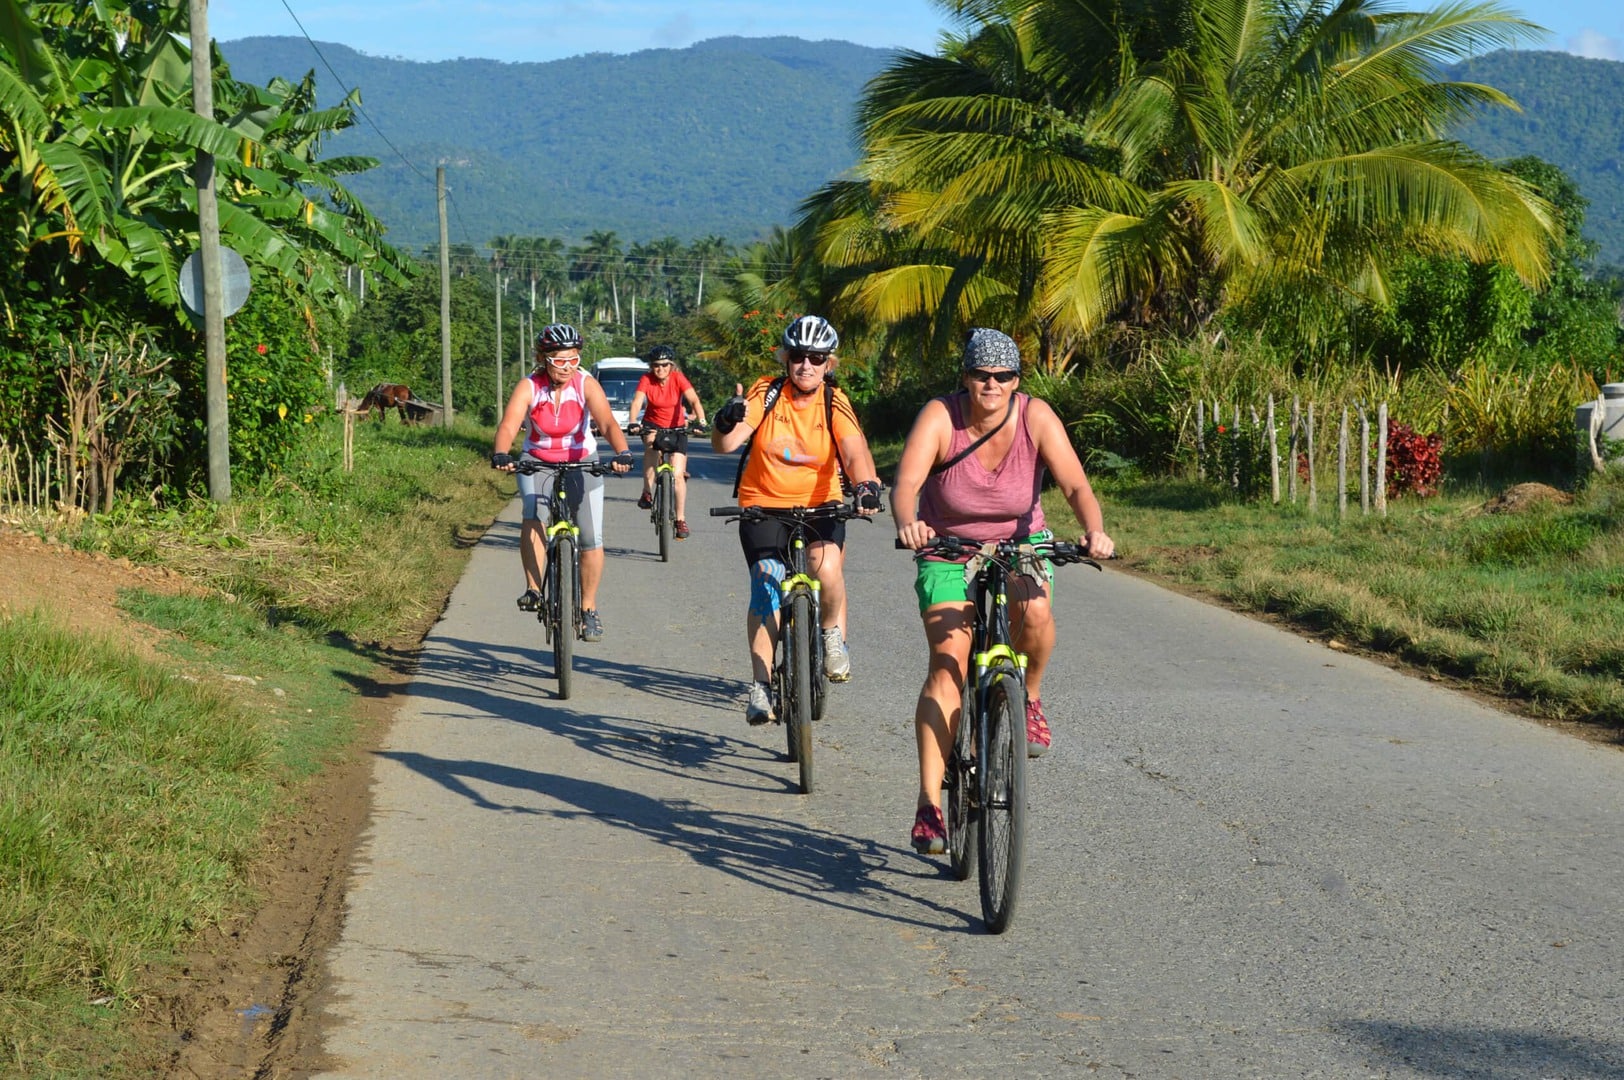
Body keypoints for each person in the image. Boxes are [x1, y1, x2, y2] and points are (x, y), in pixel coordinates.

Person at [891, 327, 1115, 854]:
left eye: (1004, 376)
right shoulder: (940, 416)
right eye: (981, 375)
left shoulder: (1035, 416)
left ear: (1017, 380)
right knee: (948, 661)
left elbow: (1076, 484)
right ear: (964, 377)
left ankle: (1029, 697)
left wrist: (1094, 529)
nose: (992, 385)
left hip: (1021, 542)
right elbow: (905, 484)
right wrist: (908, 522)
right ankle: (929, 805)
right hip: (946, 543)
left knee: (1035, 614)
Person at [711, 314, 884, 726]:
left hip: (821, 505)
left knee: (825, 567)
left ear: (829, 363)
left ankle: (830, 636)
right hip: (763, 505)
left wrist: (866, 486)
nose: (807, 365)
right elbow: (727, 444)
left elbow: (855, 450)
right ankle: (761, 685)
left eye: (817, 358)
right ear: (786, 359)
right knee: (766, 582)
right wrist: (724, 420)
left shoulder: (833, 401)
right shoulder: (766, 393)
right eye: (799, 356)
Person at [491, 323, 635, 643]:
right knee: (534, 515)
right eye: (559, 360)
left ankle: (588, 609)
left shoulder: (586, 383)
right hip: (537, 461)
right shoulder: (529, 386)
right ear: (544, 358)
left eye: (573, 359)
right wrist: (501, 453)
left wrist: (622, 451)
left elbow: (608, 422)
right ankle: (533, 589)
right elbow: (509, 425)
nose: (567, 367)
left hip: (581, 461)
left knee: (591, 537)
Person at [627, 344, 707, 539]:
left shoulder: (678, 378)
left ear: (671, 365)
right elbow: (637, 401)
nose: (660, 369)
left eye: (664, 365)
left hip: (677, 427)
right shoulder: (647, 379)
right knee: (651, 448)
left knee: (678, 475)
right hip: (652, 424)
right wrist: (632, 422)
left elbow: (694, 400)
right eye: (656, 365)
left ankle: (680, 520)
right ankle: (647, 491)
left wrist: (702, 421)